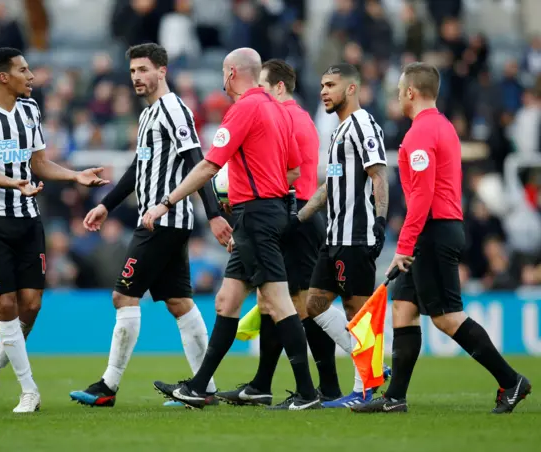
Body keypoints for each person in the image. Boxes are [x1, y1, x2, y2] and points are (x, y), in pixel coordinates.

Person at [147, 47, 321, 410]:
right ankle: (198, 386)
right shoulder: (278, 110)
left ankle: (307, 392)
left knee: (279, 302)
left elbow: (209, 167)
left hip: (255, 217)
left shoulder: (244, 109)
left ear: (230, 73)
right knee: (227, 302)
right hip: (265, 212)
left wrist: (166, 201)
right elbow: (293, 171)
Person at [353, 62, 532, 414]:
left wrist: (404, 247)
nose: (397, 96)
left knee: (446, 317)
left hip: (433, 231)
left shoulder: (421, 133)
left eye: (399, 90)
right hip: (435, 228)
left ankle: (512, 382)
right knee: (403, 310)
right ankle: (395, 398)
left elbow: (421, 197)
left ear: (410, 93)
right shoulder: (443, 126)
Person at [68, 43, 232, 408]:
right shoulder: (147, 116)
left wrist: (215, 212)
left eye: (143, 70)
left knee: (123, 296)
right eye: (132, 72)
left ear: (162, 71)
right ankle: (204, 388)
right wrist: (106, 206)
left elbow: (198, 162)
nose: (137, 78)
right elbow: (137, 171)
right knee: (180, 303)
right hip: (162, 221)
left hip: (164, 221)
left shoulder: (175, 110)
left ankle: (107, 387)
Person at [0, 47, 109, 413]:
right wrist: (15, 184)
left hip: (27, 217)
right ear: (4, 77)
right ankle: (30, 390)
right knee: (7, 303)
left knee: (32, 304)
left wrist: (74, 174)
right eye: (24, 70)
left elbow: (40, 163)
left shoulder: (30, 111)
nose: (32, 76)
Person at [215, 59, 348, 406]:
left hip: (296, 216)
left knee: (303, 307)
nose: (256, 91)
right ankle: (262, 383)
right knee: (273, 302)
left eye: (262, 84)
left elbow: (288, 174)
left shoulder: (283, 115)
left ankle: (335, 383)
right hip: (292, 214)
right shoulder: (297, 116)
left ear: (278, 87)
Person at [287, 63, 391, 408]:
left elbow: (378, 176)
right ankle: (374, 365)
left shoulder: (363, 125)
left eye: (330, 85)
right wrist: (297, 218)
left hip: (356, 236)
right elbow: (329, 188)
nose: (323, 91)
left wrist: (379, 222)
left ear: (351, 89)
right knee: (314, 305)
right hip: (332, 238)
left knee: (356, 314)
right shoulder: (338, 131)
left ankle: (364, 389)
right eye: (321, 85)